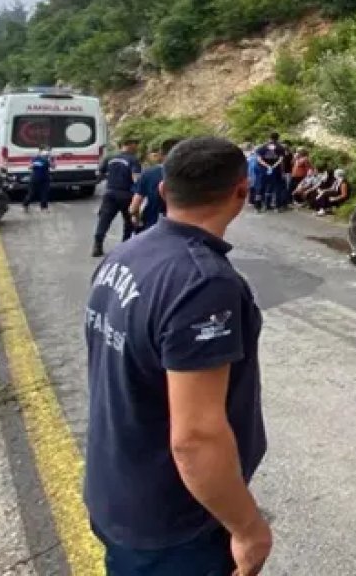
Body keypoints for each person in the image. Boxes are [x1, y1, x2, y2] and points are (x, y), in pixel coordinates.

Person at [83, 136, 271, 576]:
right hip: (172, 520)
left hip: (115, 489)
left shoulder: (126, 255)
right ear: (241, 193)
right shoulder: (202, 284)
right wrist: (248, 530)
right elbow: (196, 438)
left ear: (164, 191)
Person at [93, 138, 143, 257]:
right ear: (129, 144)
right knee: (129, 221)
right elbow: (136, 179)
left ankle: (97, 245)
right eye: (135, 144)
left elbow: (99, 174)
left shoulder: (109, 158)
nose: (136, 147)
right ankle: (125, 246)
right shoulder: (133, 160)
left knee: (104, 219)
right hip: (126, 194)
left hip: (110, 193)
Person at [130, 139, 175, 233]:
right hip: (181, 232)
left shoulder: (149, 174)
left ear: (162, 153)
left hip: (151, 227)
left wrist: (137, 219)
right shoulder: (191, 176)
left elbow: (134, 207)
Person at [24, 145, 56, 212]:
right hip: (35, 178)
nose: (47, 152)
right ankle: (26, 205)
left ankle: (44, 208)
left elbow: (53, 167)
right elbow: (29, 166)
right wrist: (35, 164)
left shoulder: (50, 158)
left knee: (45, 193)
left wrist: (49, 161)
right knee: (31, 193)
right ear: (41, 151)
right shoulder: (36, 158)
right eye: (46, 150)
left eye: (49, 150)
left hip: (45, 178)